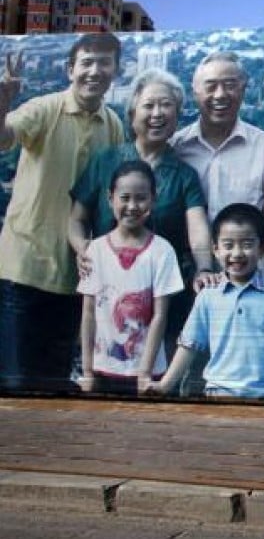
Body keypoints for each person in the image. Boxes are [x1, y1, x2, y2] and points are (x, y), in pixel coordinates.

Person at [68, 68, 215, 390]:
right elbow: (77, 218)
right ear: (133, 110)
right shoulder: (106, 161)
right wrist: (83, 249)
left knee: (153, 388)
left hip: (163, 301)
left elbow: (197, 226)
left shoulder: (184, 174)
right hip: (108, 299)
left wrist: (204, 267)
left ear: (177, 115)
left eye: (167, 106)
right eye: (149, 105)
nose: (157, 114)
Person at [0, 33, 125, 393]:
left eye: (104, 62)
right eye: (86, 62)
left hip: (75, 278)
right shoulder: (45, 108)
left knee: (52, 383)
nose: (94, 70)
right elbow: (5, 137)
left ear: (115, 71)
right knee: (15, 381)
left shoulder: (113, 125)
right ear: (71, 69)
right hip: (24, 269)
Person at [153, 203, 264, 399]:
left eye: (247, 244)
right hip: (220, 394)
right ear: (215, 249)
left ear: (262, 248)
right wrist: (165, 385)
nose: (237, 253)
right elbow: (189, 345)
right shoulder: (208, 295)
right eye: (228, 245)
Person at [170, 51, 264, 268]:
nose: (220, 94)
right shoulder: (177, 147)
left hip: (252, 275)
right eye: (210, 86)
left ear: (243, 90)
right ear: (195, 91)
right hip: (191, 276)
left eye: (230, 84)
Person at [78, 161, 184, 396]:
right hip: (101, 370)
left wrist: (145, 373)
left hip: (146, 373)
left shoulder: (162, 250)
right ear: (110, 198)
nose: (132, 206)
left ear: (153, 200)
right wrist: (87, 370)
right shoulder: (95, 250)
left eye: (141, 198)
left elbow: (160, 315)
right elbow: (88, 312)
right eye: (124, 197)